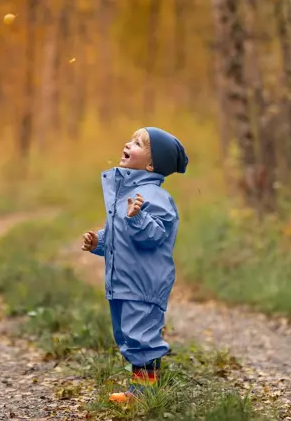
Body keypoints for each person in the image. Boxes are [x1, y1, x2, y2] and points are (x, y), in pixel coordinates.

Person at [81, 126, 188, 403]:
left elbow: (155, 236)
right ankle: (139, 387)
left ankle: (145, 393)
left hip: (144, 283)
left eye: (138, 143)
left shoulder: (155, 197)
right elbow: (121, 238)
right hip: (123, 282)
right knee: (127, 336)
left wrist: (138, 217)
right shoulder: (127, 195)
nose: (128, 144)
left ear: (151, 164)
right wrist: (99, 243)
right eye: (130, 139)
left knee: (143, 337)